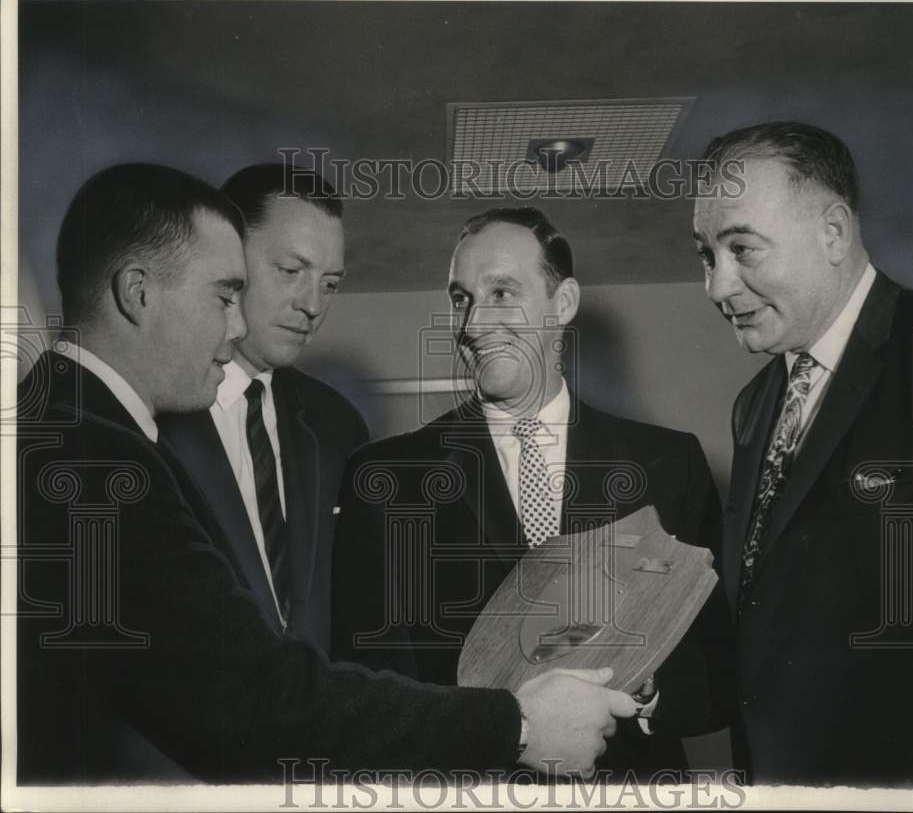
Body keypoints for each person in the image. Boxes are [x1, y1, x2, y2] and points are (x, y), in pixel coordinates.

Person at [16, 164, 637, 784]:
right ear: (138, 292)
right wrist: (516, 725)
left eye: (330, 282)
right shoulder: (94, 455)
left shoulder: (66, 427)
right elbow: (247, 691)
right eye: (226, 295)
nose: (238, 324)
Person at [332, 207, 736, 776]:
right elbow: (375, 688)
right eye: (461, 299)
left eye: (501, 293)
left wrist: (642, 685)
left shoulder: (669, 464)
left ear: (562, 303)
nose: (473, 324)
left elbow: (719, 672)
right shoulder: (386, 477)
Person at [692, 121, 913, 788]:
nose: (718, 286)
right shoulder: (754, 404)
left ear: (834, 233)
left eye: (742, 248)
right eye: (706, 254)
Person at [158, 165, 368, 651]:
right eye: (291, 271)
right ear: (227, 255)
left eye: (330, 284)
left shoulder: (338, 425)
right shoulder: (150, 412)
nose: (312, 305)